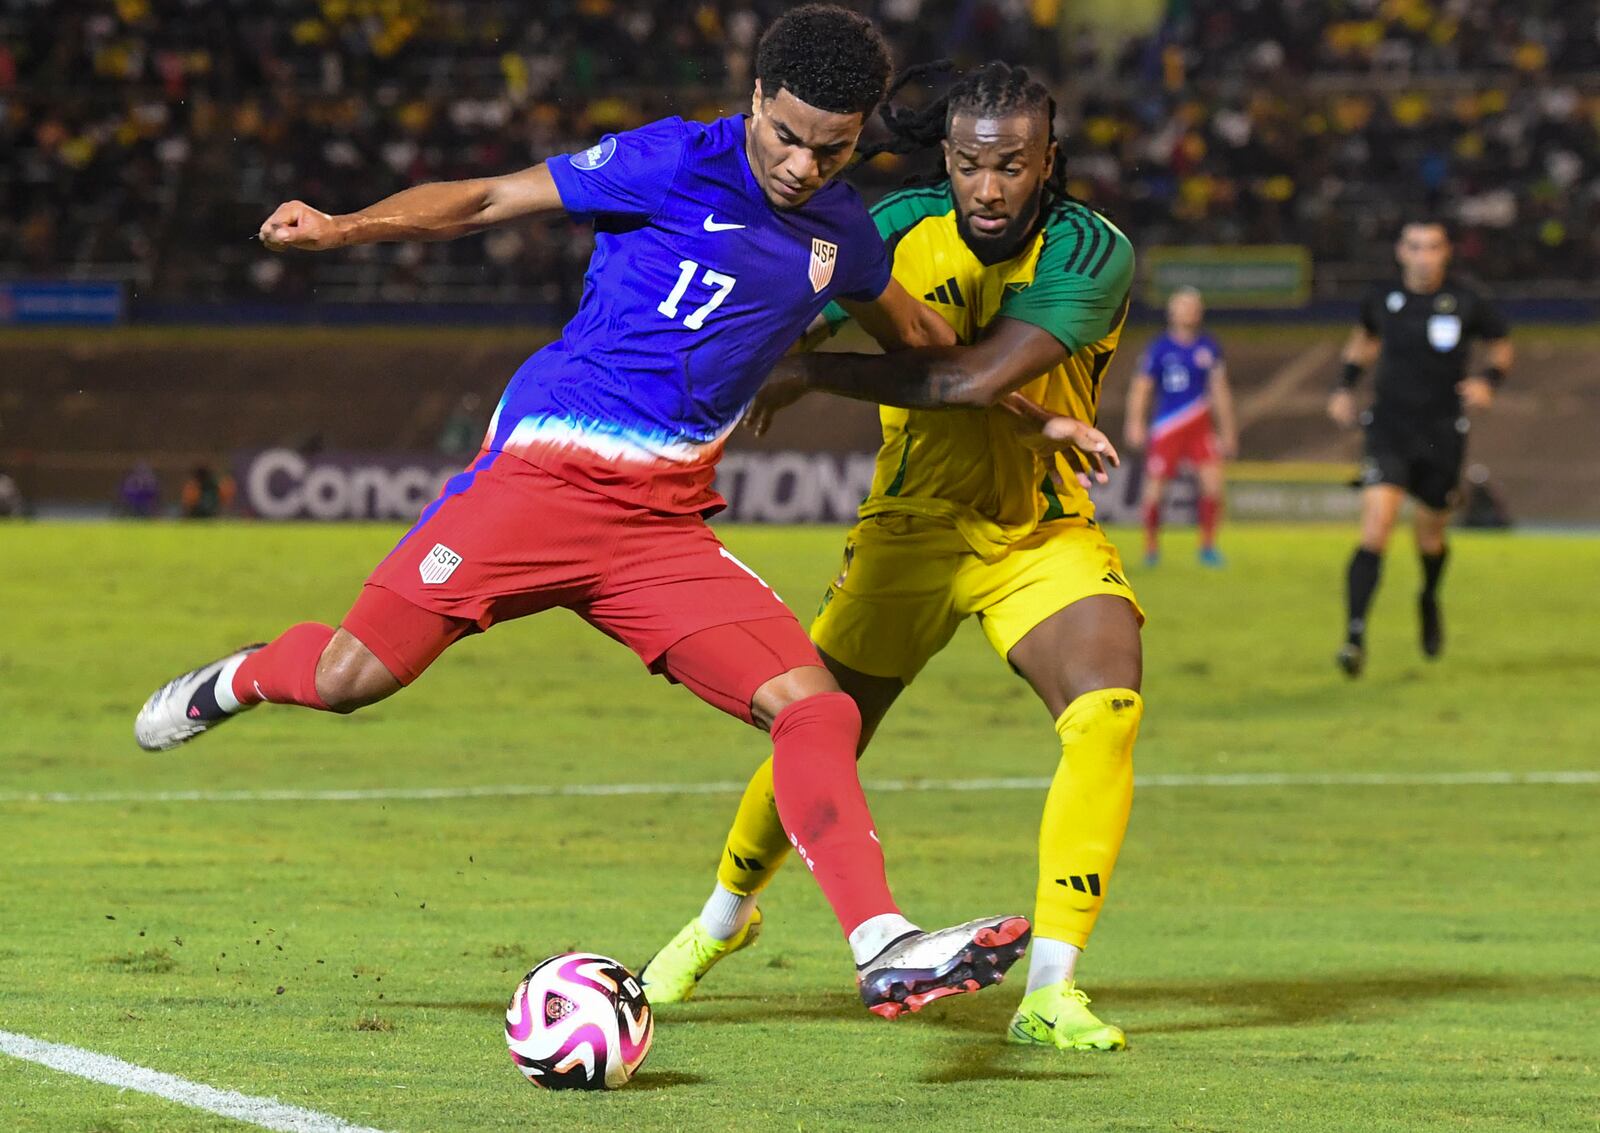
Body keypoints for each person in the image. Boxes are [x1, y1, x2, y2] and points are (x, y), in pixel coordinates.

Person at [134, 5, 1036, 1019]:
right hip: (540, 483)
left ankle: (882, 943)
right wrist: (345, 226)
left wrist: (1037, 410)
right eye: (784, 135)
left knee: (814, 706)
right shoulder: (665, 160)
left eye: (830, 147)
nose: (800, 164)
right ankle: (246, 674)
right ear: (754, 102)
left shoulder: (841, 230)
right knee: (350, 678)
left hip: (660, 531)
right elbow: (484, 198)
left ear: (860, 132)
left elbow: (914, 331)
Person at [642, 61, 1142, 1053]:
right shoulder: (898, 223)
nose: (987, 188)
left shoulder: (1091, 251)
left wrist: (809, 370)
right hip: (906, 531)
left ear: (1049, 162)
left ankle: (1051, 984)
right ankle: (721, 918)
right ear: (945, 160)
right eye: (967, 165)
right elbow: (798, 308)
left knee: (1106, 711)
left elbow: (969, 377)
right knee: (816, 724)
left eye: (1010, 166)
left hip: (1035, 531)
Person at [1328, 220, 1512, 676]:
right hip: (1388, 428)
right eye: (1415, 247)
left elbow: (1501, 345)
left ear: (1446, 252)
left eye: (1433, 247)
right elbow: (1365, 338)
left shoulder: (1468, 298)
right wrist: (1345, 386)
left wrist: (1489, 381)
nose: (1424, 255)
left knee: (1431, 536)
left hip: (1442, 432)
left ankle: (1428, 597)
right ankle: (1354, 636)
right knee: (1377, 527)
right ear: (1401, 252)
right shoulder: (1381, 298)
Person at [1123, 287, 1237, 567]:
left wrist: (1228, 431)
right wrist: (1135, 422)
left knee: (1213, 487)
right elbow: (1141, 388)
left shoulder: (1208, 347)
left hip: (1200, 426)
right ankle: (1151, 548)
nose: (1190, 310)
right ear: (1172, 311)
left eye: (1194, 306)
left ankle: (1207, 547)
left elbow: (1220, 391)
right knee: (1156, 489)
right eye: (1184, 305)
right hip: (1168, 426)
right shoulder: (1159, 348)